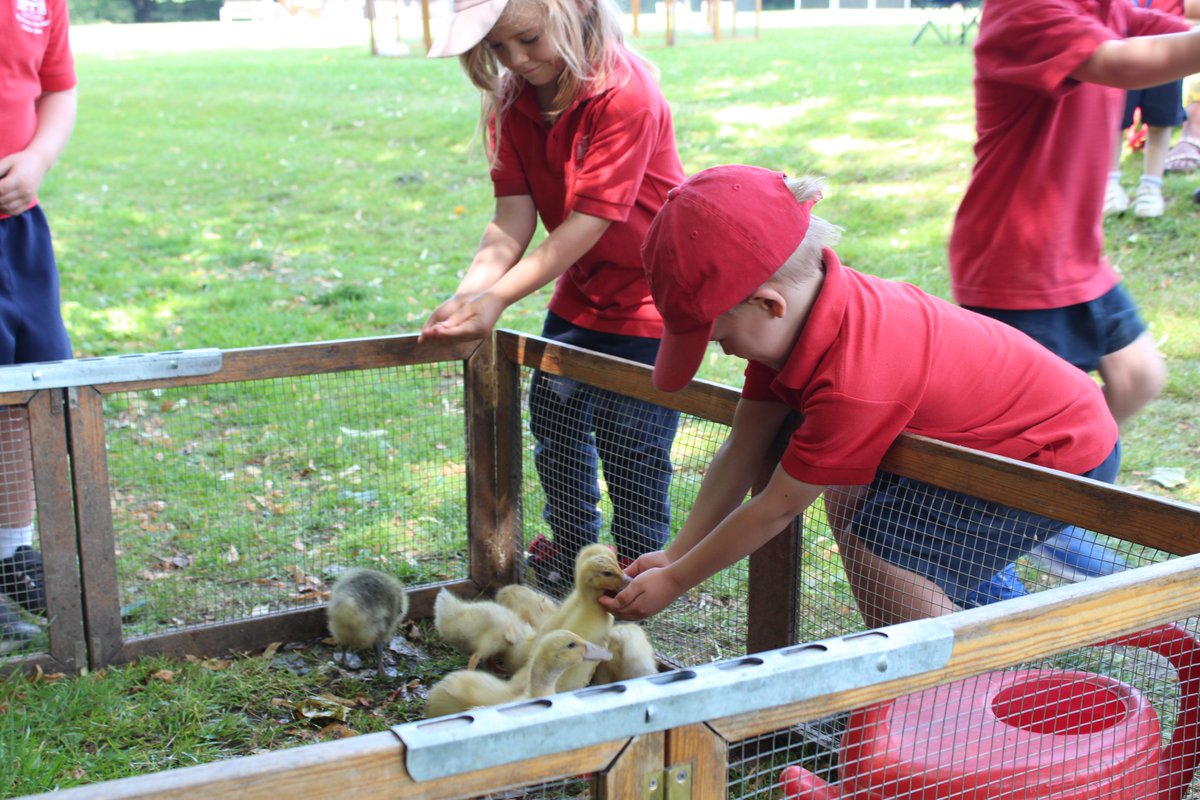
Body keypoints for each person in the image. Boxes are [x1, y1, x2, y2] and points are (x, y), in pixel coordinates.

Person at [599, 165, 1121, 628]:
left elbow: (776, 508)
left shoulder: (854, 377)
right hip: (990, 438)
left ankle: (944, 685)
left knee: (884, 550)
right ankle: (968, 613)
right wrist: (676, 554)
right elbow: (744, 447)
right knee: (849, 499)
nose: (725, 351)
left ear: (769, 304)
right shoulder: (793, 330)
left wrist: (678, 580)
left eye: (720, 338)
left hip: (1053, 453)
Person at [419, 0, 684, 589]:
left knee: (633, 443)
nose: (515, 60)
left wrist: (498, 300)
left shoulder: (626, 93)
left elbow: (589, 223)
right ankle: (573, 553)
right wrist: (471, 295)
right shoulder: (514, 100)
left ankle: (638, 572)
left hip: (651, 298)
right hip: (581, 293)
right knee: (556, 427)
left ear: (577, 10)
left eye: (529, 39)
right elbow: (511, 218)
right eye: (496, 47)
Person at [948, 0, 1200, 586]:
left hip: (1077, 257)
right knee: (1031, 433)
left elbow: (1176, 34)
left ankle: (1048, 503)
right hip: (1017, 266)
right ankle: (1018, 519)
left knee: (1139, 378)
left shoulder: (1107, 9)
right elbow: (1128, 63)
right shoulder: (1026, 9)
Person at [0, 0, 78, 643]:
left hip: (16, 226)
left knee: (28, 387)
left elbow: (58, 88)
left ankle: (8, 554)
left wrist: (37, 158)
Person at [1104, 0, 1189, 218]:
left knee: (1161, 120)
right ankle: (1110, 183)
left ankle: (1151, 187)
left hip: (1169, 49)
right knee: (1116, 120)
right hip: (1121, 46)